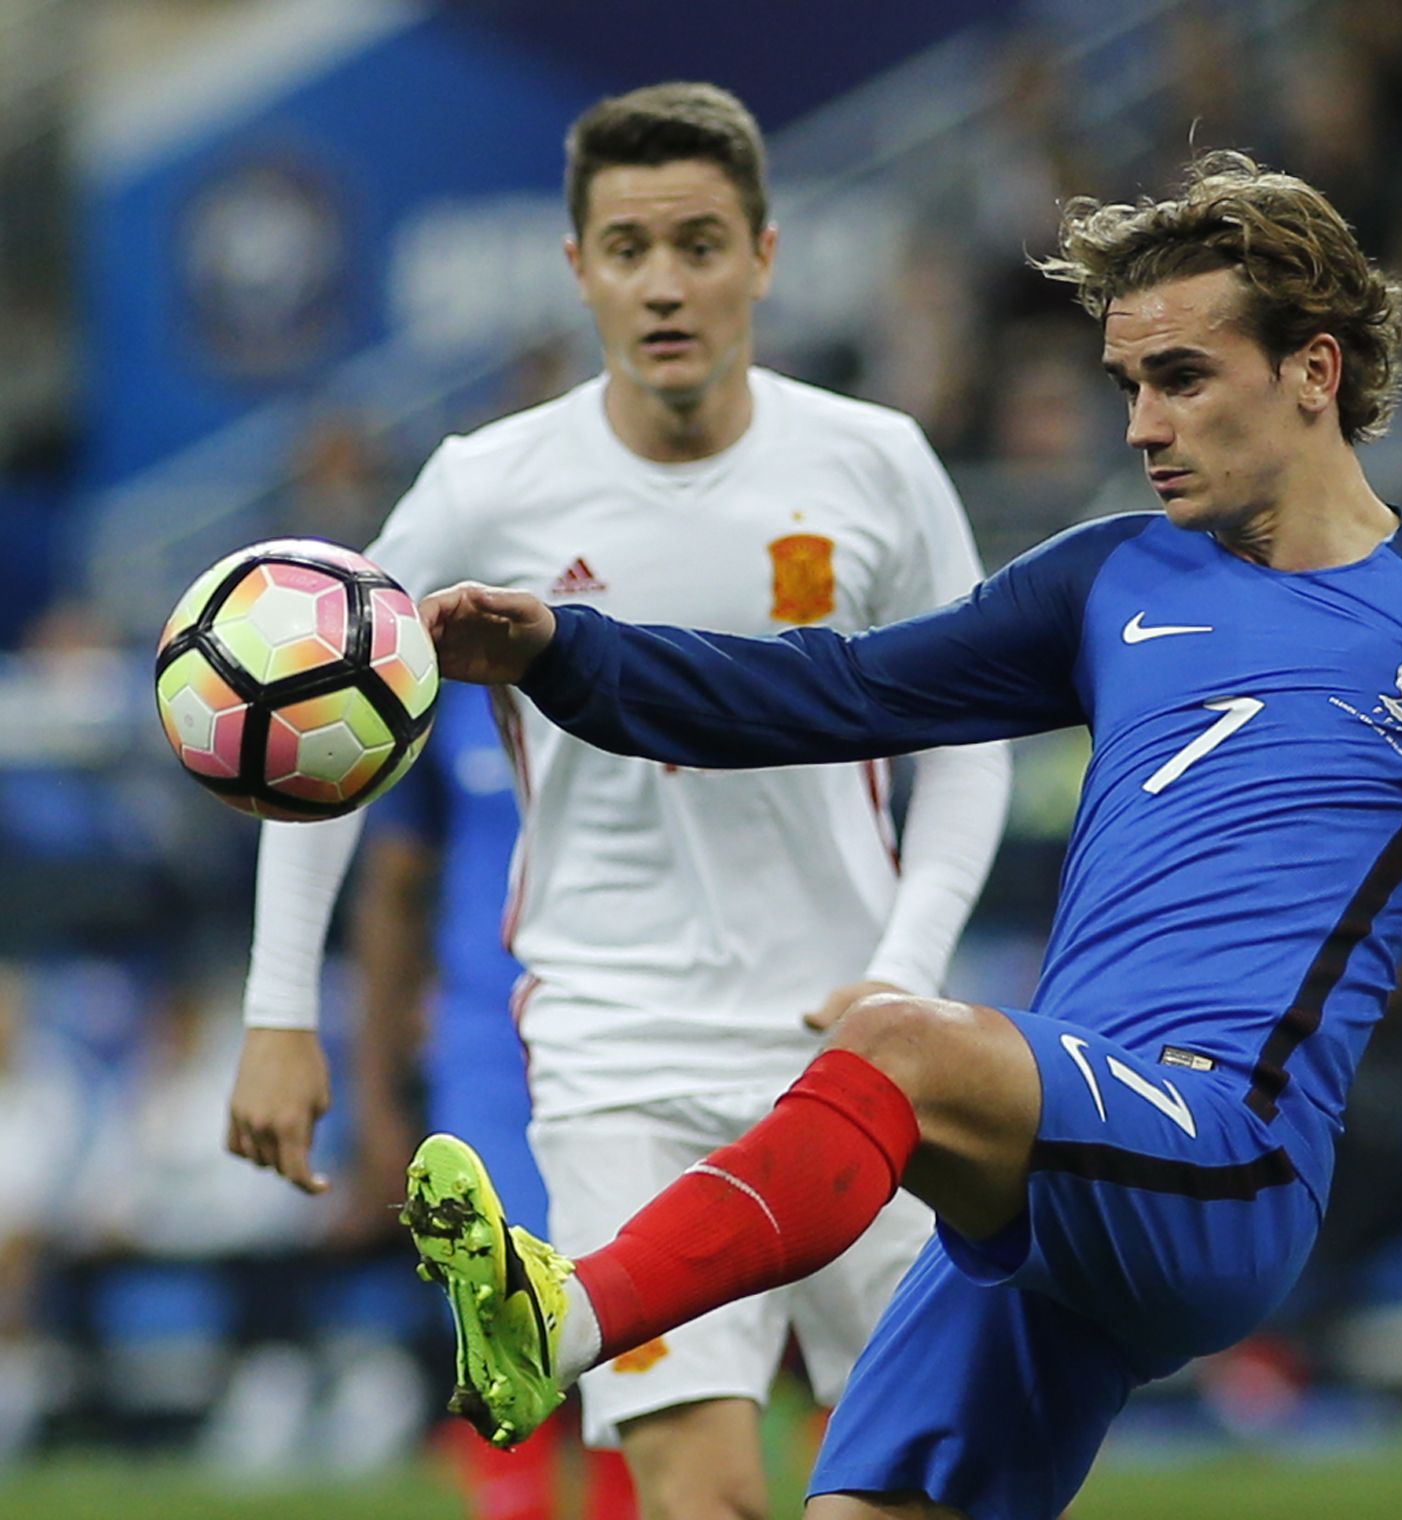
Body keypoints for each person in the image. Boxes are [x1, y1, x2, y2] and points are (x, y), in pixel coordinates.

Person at [395, 149, 1402, 1520]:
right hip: (1045, 1174)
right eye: (1129, 387)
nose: (1141, 426)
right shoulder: (1108, 577)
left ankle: (567, 1319)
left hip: (1227, 1153)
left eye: (1181, 379)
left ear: (1314, 372)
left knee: (901, 1041)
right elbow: (830, 692)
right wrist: (564, 652)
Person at [223, 82, 1011, 1520]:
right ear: (578, 265)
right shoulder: (488, 484)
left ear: (764, 257)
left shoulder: (874, 464)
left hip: (859, 1051)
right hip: (613, 1052)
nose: (666, 283)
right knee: (697, 1495)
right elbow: (332, 718)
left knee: (925, 1484)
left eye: (700, 243)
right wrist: (283, 1012)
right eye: (630, 246)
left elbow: (972, 739)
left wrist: (905, 972)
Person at [351, 682, 636, 1520]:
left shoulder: (647, 650)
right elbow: (395, 887)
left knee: (639, 1340)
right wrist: (376, 1104)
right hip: (488, 1059)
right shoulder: (441, 694)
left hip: (637, 1046)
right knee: (499, 1336)